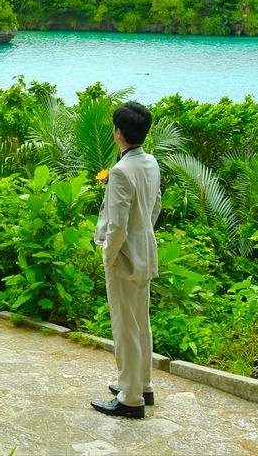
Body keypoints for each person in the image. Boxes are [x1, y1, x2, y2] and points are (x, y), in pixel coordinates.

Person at [90, 101, 161, 419]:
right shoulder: (150, 163)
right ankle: (141, 384)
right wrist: (142, 234)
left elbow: (116, 225)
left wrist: (108, 253)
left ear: (118, 133)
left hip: (123, 257)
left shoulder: (120, 172)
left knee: (124, 325)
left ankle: (130, 398)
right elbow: (155, 207)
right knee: (140, 322)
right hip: (144, 251)